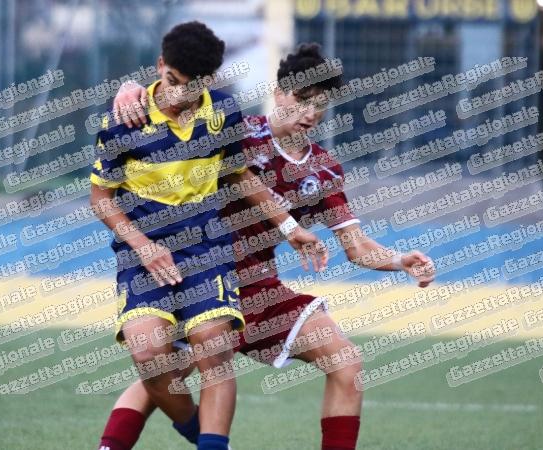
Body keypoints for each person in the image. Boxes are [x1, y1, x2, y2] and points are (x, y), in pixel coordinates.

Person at [99, 43, 436, 450]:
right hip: (203, 282)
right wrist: (131, 89)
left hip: (260, 291)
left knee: (346, 362)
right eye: (302, 99)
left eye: (320, 105)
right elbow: (176, 98)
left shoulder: (323, 170)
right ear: (278, 93)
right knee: (158, 377)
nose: (310, 112)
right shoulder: (233, 130)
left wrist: (400, 260)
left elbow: (357, 246)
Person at [90, 23, 328, 450]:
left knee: (212, 349)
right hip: (143, 255)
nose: (178, 94)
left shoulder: (223, 113)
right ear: (160, 66)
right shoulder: (124, 121)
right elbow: (101, 199)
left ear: (210, 81)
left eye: (191, 86)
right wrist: (144, 247)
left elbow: (238, 174)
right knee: (149, 356)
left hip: (206, 248)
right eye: (172, 81)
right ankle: (202, 434)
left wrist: (289, 227)